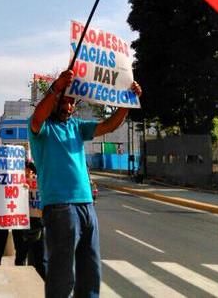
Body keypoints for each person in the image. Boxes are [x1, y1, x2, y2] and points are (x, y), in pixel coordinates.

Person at [28, 69, 142, 297]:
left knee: (90, 272)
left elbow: (109, 125)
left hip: (87, 206)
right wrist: (56, 87)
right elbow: (37, 117)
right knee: (62, 276)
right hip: (60, 207)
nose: (69, 107)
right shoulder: (42, 129)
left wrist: (127, 102)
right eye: (65, 102)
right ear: (56, 100)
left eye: (72, 104)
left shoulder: (77, 127)